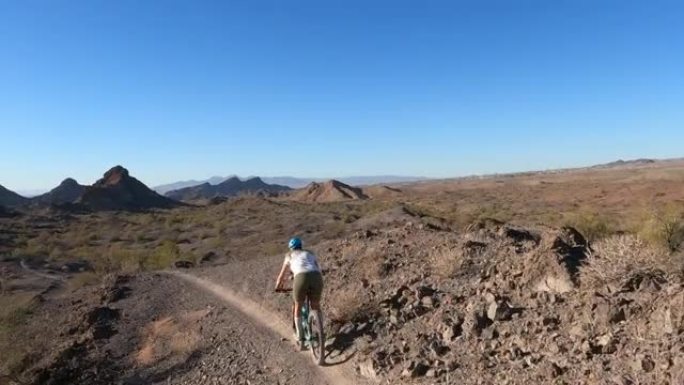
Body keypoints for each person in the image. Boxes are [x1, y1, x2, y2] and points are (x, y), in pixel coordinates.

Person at [274, 237, 324, 347]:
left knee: (298, 305)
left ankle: (300, 337)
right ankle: (320, 331)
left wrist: (278, 286)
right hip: (317, 277)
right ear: (301, 245)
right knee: (315, 305)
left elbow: (282, 275)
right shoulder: (310, 252)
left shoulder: (289, 255)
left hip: (301, 278)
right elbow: (317, 267)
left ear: (291, 248)